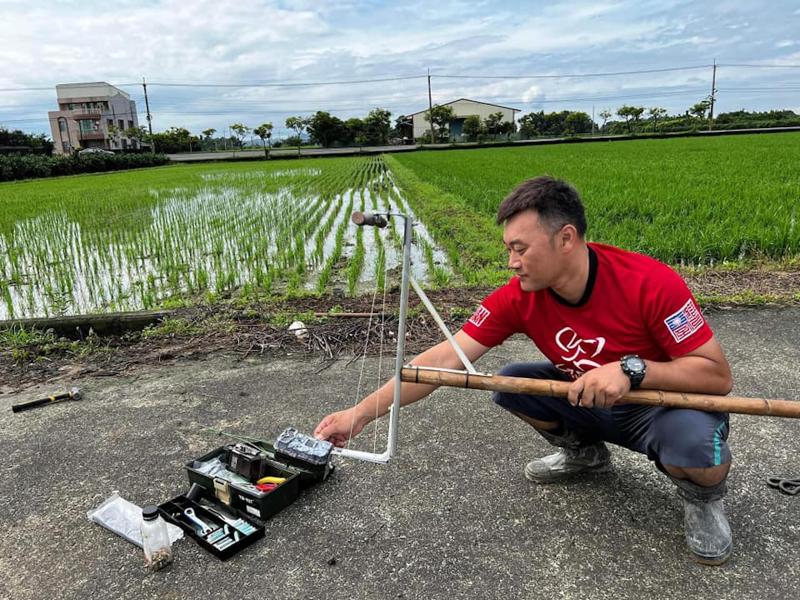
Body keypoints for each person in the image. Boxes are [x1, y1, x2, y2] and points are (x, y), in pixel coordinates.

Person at [314, 176, 734, 565]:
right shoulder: (518, 296)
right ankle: (585, 455)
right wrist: (360, 414)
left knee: (693, 442)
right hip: (585, 398)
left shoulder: (649, 282)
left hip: (657, 407)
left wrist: (630, 370)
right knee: (513, 382)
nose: (512, 262)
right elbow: (444, 359)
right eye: (508, 250)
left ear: (565, 238)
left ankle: (703, 498)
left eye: (521, 248)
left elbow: (715, 376)